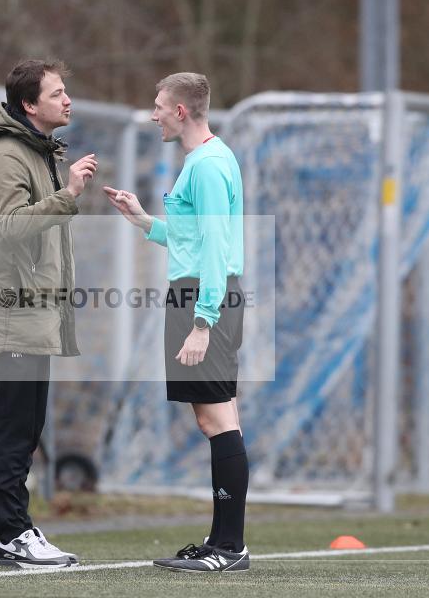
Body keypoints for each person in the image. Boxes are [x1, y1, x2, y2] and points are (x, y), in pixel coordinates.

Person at [103, 72, 248, 573]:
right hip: (205, 295)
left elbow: (213, 250)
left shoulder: (206, 166)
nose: (153, 114)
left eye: (159, 106)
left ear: (181, 112)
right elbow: (191, 241)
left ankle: (228, 548)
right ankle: (226, 540)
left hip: (203, 301)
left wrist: (203, 320)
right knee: (221, 417)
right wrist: (143, 220)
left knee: (216, 419)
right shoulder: (210, 158)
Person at [0, 59, 98, 569]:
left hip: (32, 318)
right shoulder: (7, 156)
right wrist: (67, 196)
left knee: (25, 432)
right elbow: (11, 227)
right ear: (30, 104)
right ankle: (12, 536)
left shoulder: (39, 152)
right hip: (7, 317)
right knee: (11, 433)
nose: (68, 100)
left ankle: (17, 533)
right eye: (57, 93)